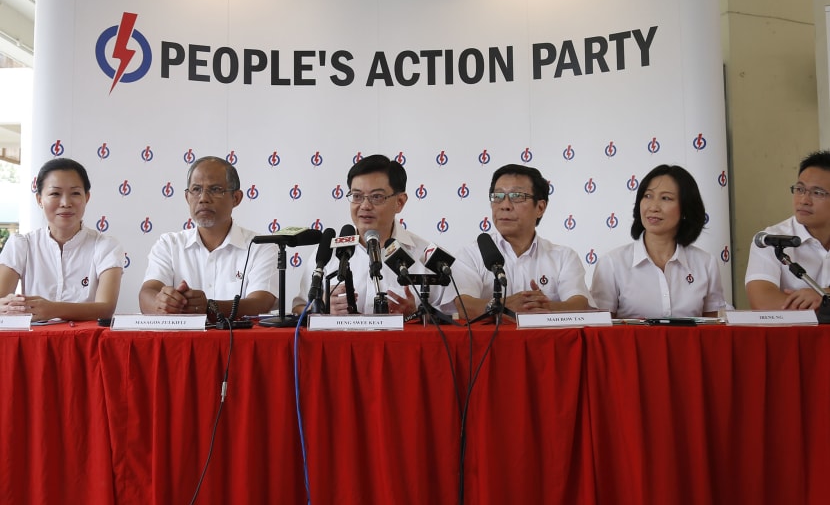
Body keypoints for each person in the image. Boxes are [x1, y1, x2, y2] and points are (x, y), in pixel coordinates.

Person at [292, 154, 448, 317]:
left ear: (399, 202)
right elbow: (298, 308)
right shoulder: (326, 253)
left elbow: (453, 320)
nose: (365, 206)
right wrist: (319, 307)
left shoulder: (426, 255)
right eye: (357, 196)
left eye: (377, 197)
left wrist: (417, 314)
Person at [139, 156, 278, 319]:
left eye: (216, 189)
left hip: (238, 343)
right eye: (196, 189)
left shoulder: (261, 246)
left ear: (236, 198)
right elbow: (147, 294)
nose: (203, 198)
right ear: (187, 197)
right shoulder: (169, 244)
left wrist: (210, 307)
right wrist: (163, 302)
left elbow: (261, 303)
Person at [453, 164, 593, 318]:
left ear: (540, 208)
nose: (505, 206)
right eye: (498, 196)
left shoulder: (564, 257)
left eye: (517, 196)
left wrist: (543, 307)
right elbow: (464, 306)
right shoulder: (471, 254)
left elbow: (579, 304)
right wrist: (503, 306)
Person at [591, 164, 725, 318]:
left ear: (686, 209)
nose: (653, 207)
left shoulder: (706, 264)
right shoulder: (612, 263)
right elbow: (601, 331)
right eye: (648, 196)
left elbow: (714, 329)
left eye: (665, 198)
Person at [0, 158, 123, 321]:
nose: (65, 203)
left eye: (75, 193)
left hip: (87, 343)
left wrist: (53, 309)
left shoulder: (106, 246)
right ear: (39, 200)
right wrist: (9, 305)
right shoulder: (21, 245)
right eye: (55, 194)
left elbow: (106, 308)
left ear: (87, 197)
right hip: (34, 342)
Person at [746, 150, 830, 310]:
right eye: (800, 189)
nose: (804, 200)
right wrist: (825, 304)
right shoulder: (769, 240)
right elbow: (763, 303)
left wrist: (824, 295)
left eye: (817, 193)